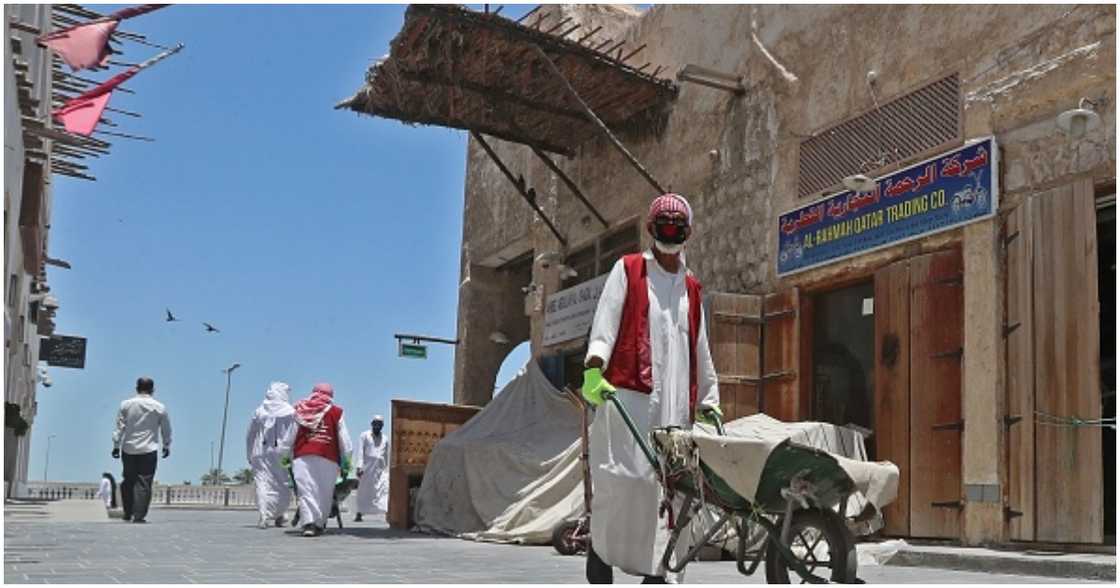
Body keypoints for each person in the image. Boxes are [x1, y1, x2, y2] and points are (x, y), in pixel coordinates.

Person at [581, 193, 721, 584]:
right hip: (627, 398)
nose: (671, 232)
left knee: (673, 487)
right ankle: (601, 549)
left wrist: (709, 400)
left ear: (687, 233)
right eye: (665, 226)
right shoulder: (627, 270)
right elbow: (605, 324)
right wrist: (595, 368)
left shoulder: (691, 288)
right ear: (652, 230)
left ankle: (660, 571)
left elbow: (700, 348)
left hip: (675, 406)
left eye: (679, 227)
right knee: (627, 482)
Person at [285, 383, 352, 537]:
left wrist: (284, 454)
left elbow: (289, 436)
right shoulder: (336, 412)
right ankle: (319, 524)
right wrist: (347, 460)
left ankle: (309, 523)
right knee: (324, 492)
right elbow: (345, 440)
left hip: (303, 457)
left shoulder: (300, 409)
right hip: (329, 458)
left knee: (306, 490)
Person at [112, 376, 172, 524]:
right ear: (153, 390)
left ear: (136, 388)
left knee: (128, 481)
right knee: (144, 483)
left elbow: (120, 428)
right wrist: (166, 445)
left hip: (129, 449)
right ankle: (139, 515)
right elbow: (166, 429)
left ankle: (128, 512)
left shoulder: (125, 405)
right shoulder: (159, 407)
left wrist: (116, 446)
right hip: (149, 449)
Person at [246, 381, 297, 529]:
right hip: (282, 452)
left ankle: (264, 514)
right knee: (282, 484)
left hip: (259, 453)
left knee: (262, 483)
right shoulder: (290, 411)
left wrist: (249, 453)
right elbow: (294, 434)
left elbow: (250, 435)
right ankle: (280, 514)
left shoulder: (260, 411)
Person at [353, 415, 390, 522]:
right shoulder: (364, 435)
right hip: (367, 468)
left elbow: (386, 454)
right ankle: (359, 512)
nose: (377, 425)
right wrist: (359, 466)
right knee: (364, 491)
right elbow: (360, 451)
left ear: (382, 426)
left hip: (380, 469)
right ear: (372, 424)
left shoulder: (385, 438)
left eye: (379, 424)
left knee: (383, 489)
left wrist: (386, 468)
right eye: (375, 423)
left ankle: (386, 512)